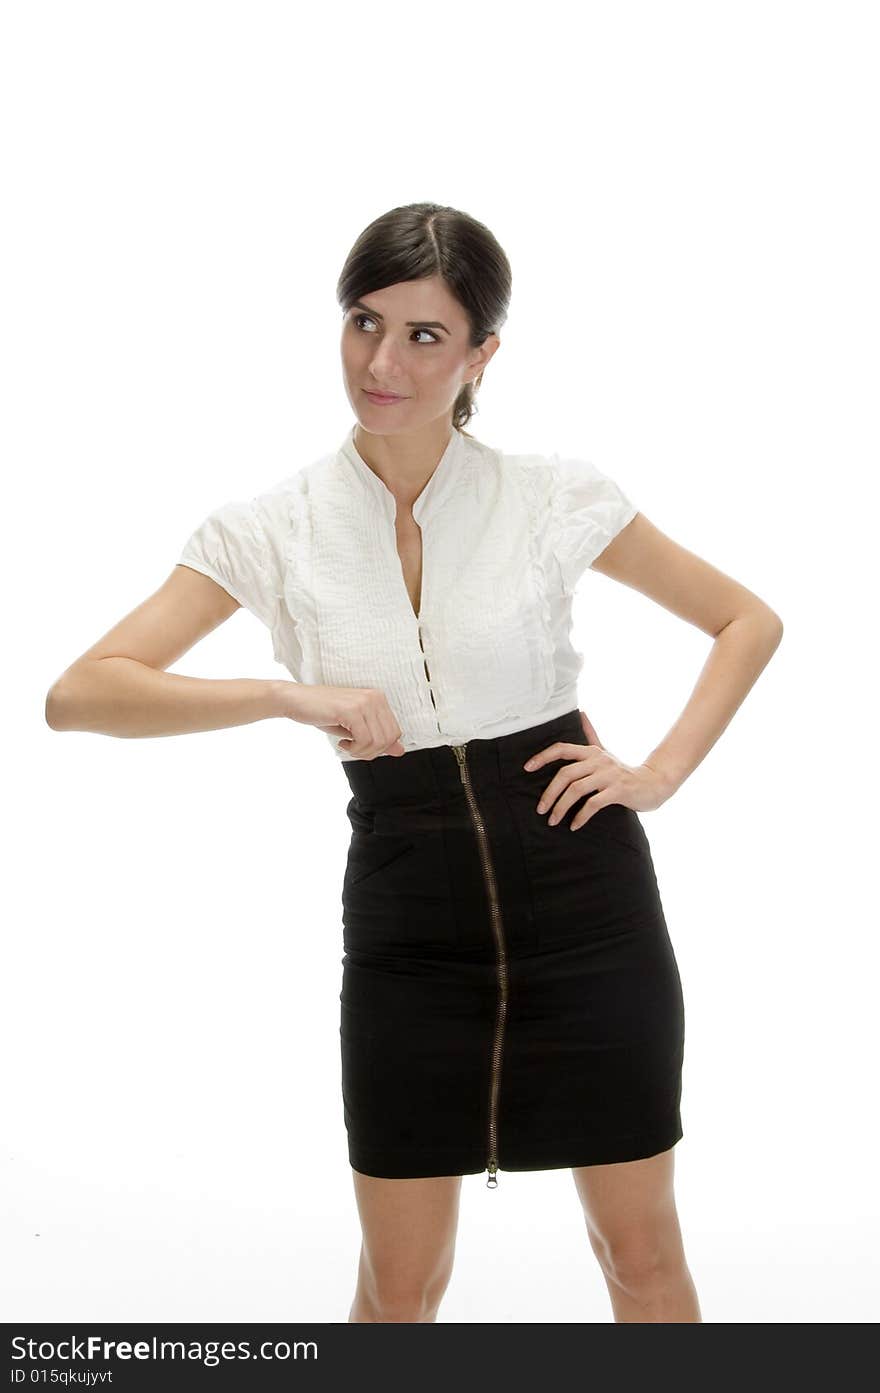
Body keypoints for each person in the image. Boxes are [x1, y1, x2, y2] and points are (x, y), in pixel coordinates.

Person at [45, 201, 783, 1324]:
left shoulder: (553, 495)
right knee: (399, 1288)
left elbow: (745, 619)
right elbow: (80, 692)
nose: (381, 362)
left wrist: (662, 771)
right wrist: (285, 694)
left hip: (590, 911)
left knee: (639, 1256)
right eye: (362, 323)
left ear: (483, 353)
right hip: (406, 931)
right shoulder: (273, 527)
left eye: (425, 335)